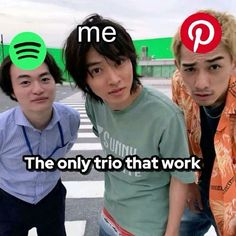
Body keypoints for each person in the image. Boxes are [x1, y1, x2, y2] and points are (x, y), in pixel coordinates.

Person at [64, 14, 195, 236]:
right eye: (97, 70)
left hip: (148, 228)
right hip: (109, 218)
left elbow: (180, 178)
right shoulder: (95, 104)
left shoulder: (165, 116)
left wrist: (171, 233)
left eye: (119, 62)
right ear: (83, 78)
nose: (114, 79)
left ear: (131, 59)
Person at [0, 53, 80, 236]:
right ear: (12, 90)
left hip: (51, 195)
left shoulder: (70, 119)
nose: (38, 89)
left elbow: (67, 147)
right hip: (10, 199)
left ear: (54, 80)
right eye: (25, 82)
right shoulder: (3, 128)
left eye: (44, 79)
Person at [172, 9, 236, 236]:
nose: (200, 83)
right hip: (198, 182)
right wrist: (188, 182)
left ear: (234, 63)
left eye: (214, 66)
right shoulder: (180, 84)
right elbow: (182, 133)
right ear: (178, 66)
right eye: (189, 69)